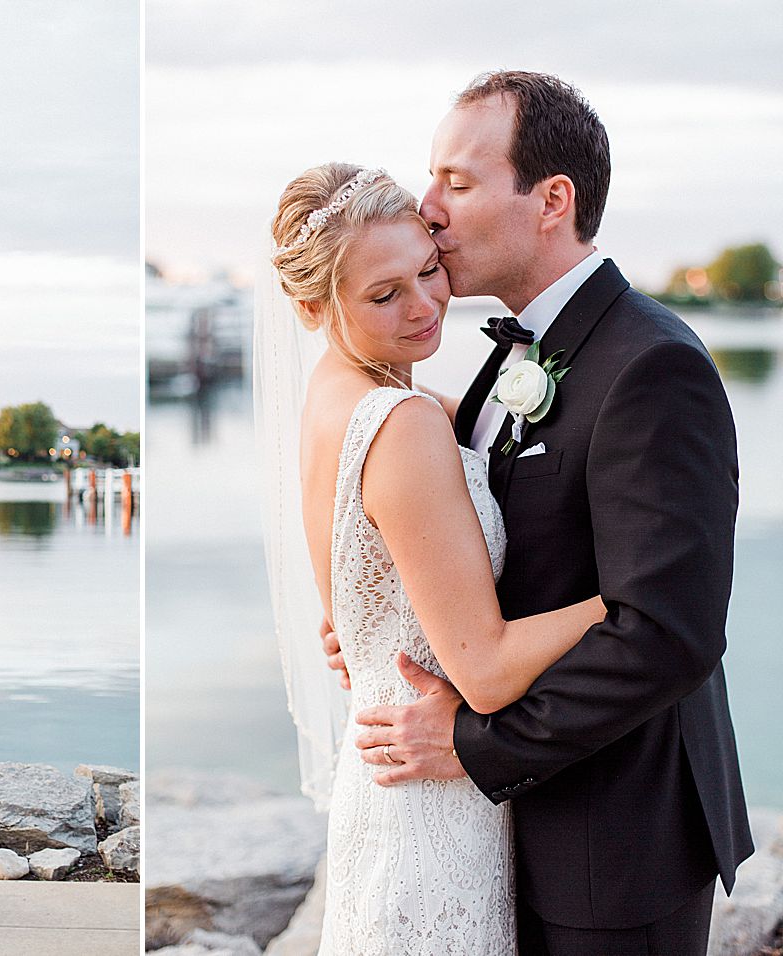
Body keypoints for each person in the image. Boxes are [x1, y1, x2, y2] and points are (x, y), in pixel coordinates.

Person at [322, 71, 752, 954]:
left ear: (552, 199)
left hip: (614, 845)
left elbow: (668, 631)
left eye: (459, 181)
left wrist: (476, 742)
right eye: (431, 179)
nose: (429, 208)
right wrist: (394, 618)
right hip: (510, 832)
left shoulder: (652, 367)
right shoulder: (501, 362)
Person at [260, 158, 609, 953]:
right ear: (313, 306)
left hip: (383, 772)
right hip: (432, 794)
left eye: (429, 270)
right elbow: (482, 668)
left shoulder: (333, 394)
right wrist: (621, 599)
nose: (424, 308)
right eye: (385, 295)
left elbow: (484, 438)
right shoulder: (403, 422)